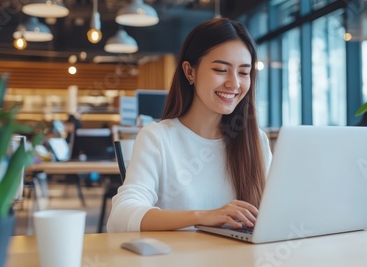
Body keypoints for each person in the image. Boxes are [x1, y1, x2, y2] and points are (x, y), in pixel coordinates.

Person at [107, 18, 273, 232]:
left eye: (243, 72)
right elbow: (120, 217)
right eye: (221, 70)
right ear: (190, 72)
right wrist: (203, 216)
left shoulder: (256, 141)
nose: (234, 83)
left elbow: (277, 212)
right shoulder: (158, 138)